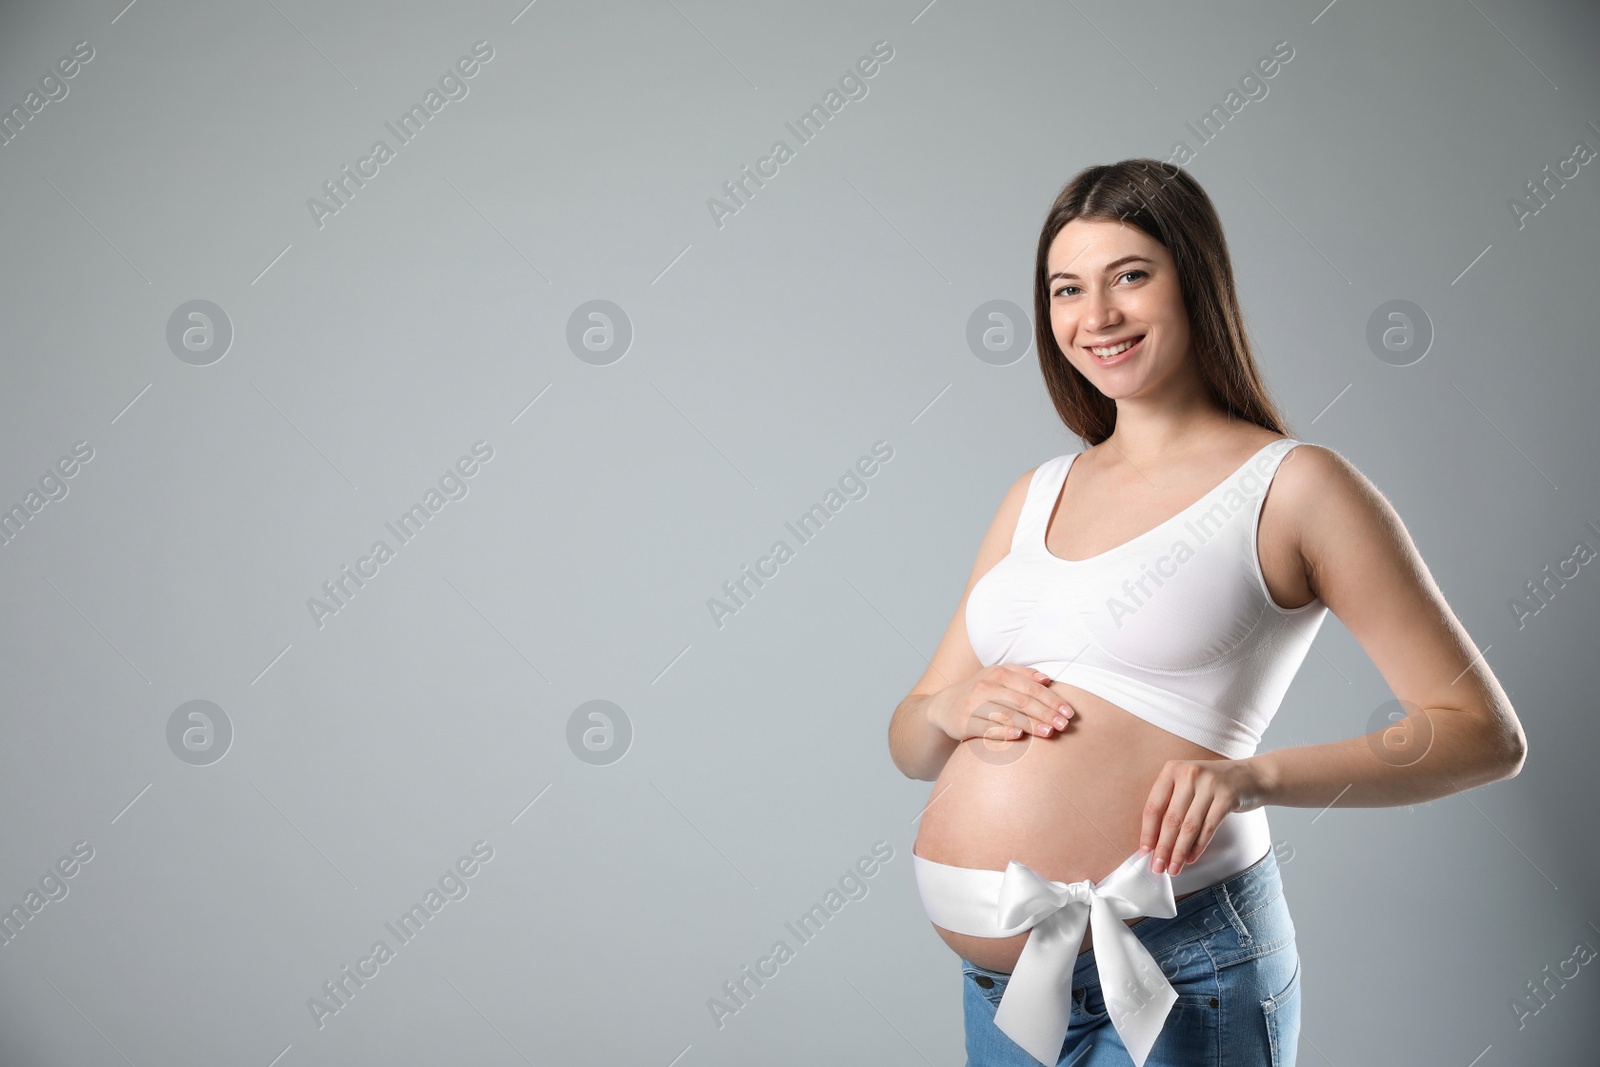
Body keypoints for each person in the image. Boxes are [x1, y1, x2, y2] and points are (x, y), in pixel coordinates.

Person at [886, 159, 1526, 1067]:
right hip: (1005, 996)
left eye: (1130, 276)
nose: (1096, 316)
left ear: (1197, 280)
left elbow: (1481, 734)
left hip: (1187, 969)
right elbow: (912, 743)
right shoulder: (1034, 494)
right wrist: (948, 709)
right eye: (1067, 289)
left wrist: (1251, 778)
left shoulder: (1295, 486)